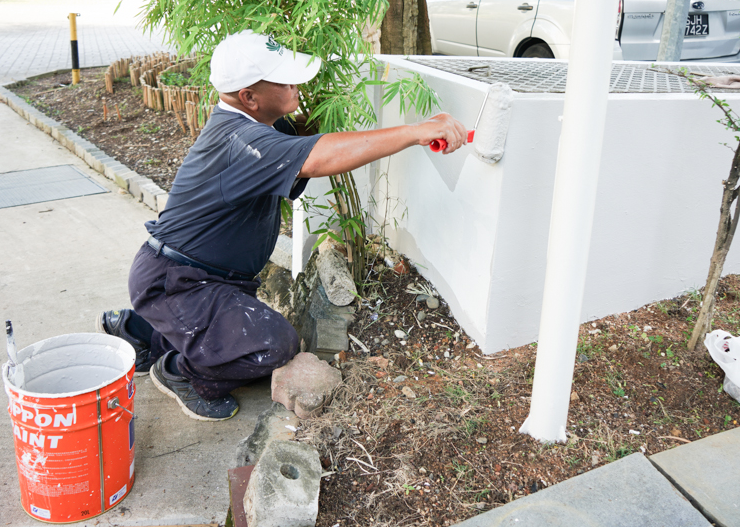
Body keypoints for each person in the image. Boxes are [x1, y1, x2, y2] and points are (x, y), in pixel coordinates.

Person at [97, 30, 467, 421]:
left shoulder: (257, 126)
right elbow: (319, 157)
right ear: (249, 97)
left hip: (194, 278)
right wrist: (415, 132)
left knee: (230, 329)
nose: (295, 84)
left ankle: (139, 332)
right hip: (181, 282)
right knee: (274, 345)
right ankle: (181, 373)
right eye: (283, 80)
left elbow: (310, 138)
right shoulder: (242, 142)